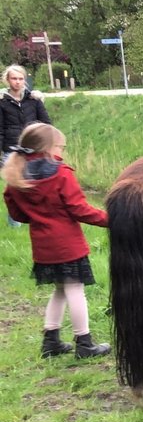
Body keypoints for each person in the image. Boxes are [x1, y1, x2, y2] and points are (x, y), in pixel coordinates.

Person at [3, 122, 112, 358]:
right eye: (60, 147)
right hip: (67, 247)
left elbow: (17, 215)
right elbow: (79, 209)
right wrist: (111, 219)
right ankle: (84, 343)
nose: (62, 152)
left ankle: (50, 340)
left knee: (61, 290)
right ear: (49, 148)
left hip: (42, 248)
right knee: (75, 291)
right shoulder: (61, 174)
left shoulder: (16, 177)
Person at [2, 64, 52, 227]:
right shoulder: (2, 103)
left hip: (34, 147)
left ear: (25, 80)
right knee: (15, 186)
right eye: (14, 79)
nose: (17, 82)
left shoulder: (34, 100)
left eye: (20, 79)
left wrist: (48, 144)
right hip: (12, 148)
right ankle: (15, 223)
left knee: (37, 184)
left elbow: (46, 123)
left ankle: (38, 219)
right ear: (7, 80)